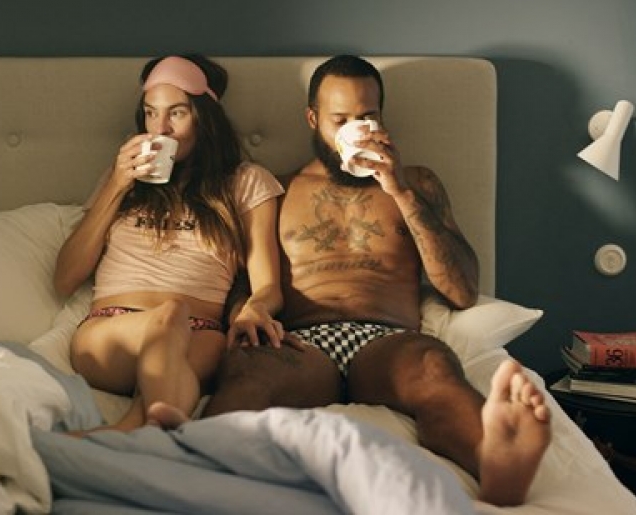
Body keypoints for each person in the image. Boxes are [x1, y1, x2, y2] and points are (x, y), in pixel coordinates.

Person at [198, 55, 551, 506]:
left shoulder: (417, 183)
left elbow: (461, 292)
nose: (356, 129)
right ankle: (196, 470)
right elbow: (246, 282)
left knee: (435, 370)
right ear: (313, 119)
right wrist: (243, 313)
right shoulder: (276, 190)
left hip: (389, 341)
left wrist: (398, 189)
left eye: (367, 117)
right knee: (248, 373)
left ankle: (497, 462)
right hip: (301, 342)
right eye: (340, 120)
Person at [53, 55, 286, 431]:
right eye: (150, 113)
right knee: (169, 314)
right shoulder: (121, 178)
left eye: (177, 113)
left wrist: (254, 310)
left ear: (204, 118)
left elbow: (269, 286)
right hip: (110, 331)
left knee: (177, 331)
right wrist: (117, 184)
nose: (160, 128)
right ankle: (137, 431)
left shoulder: (246, 182)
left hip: (201, 333)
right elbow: (64, 279)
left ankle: (130, 430)